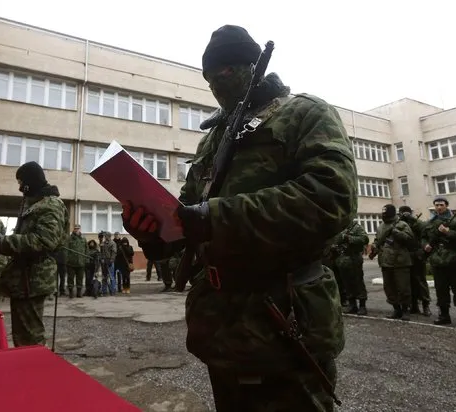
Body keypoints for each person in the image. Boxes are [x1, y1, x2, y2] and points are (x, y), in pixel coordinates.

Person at [122, 24, 356, 411]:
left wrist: (216, 217)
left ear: (252, 66)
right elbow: (187, 215)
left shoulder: (304, 113)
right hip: (221, 327)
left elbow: (332, 197)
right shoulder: (213, 138)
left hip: (284, 319)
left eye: (226, 72)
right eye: (208, 77)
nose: (216, 82)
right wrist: (152, 231)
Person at [0, 161, 69, 346]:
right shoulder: (34, 203)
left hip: (34, 280)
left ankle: (35, 369)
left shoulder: (50, 205)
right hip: (24, 279)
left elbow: (44, 241)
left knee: (30, 334)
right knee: (22, 334)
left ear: (29, 182)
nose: (20, 187)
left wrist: (1, 243)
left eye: (21, 182)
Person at [421, 196, 456, 327]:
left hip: (454, 260)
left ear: (446, 205)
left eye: (441, 205)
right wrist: (425, 245)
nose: (439, 207)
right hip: (437, 261)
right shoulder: (430, 222)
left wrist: (448, 232)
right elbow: (423, 237)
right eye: (436, 205)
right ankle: (444, 315)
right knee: (441, 290)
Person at [65, 224, 88, 298]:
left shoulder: (83, 239)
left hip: (81, 262)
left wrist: (86, 260)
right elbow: (66, 250)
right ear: (73, 229)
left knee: (80, 278)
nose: (76, 230)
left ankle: (79, 292)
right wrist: (67, 259)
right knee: (70, 278)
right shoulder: (69, 238)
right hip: (71, 263)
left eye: (78, 228)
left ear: (80, 229)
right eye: (75, 228)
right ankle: (71, 292)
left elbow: (86, 250)